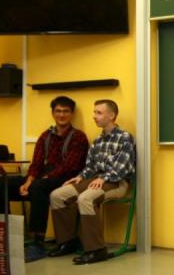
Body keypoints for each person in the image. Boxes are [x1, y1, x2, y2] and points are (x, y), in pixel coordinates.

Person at [0, 96, 89, 261]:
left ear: (71, 114)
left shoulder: (78, 137)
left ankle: (37, 243)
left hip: (65, 179)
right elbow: (36, 163)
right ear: (52, 113)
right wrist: (28, 181)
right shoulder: (45, 136)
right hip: (41, 179)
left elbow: (69, 166)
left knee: (38, 187)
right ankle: (2, 235)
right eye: (58, 111)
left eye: (66, 111)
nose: (62, 115)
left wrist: (38, 181)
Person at [48, 99, 135, 265]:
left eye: (99, 113)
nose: (94, 116)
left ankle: (96, 249)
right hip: (95, 180)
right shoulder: (97, 141)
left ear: (112, 116)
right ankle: (67, 242)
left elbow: (123, 167)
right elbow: (90, 166)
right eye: (94, 112)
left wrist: (104, 178)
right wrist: (81, 176)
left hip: (117, 182)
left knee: (86, 199)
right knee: (57, 195)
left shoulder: (125, 138)